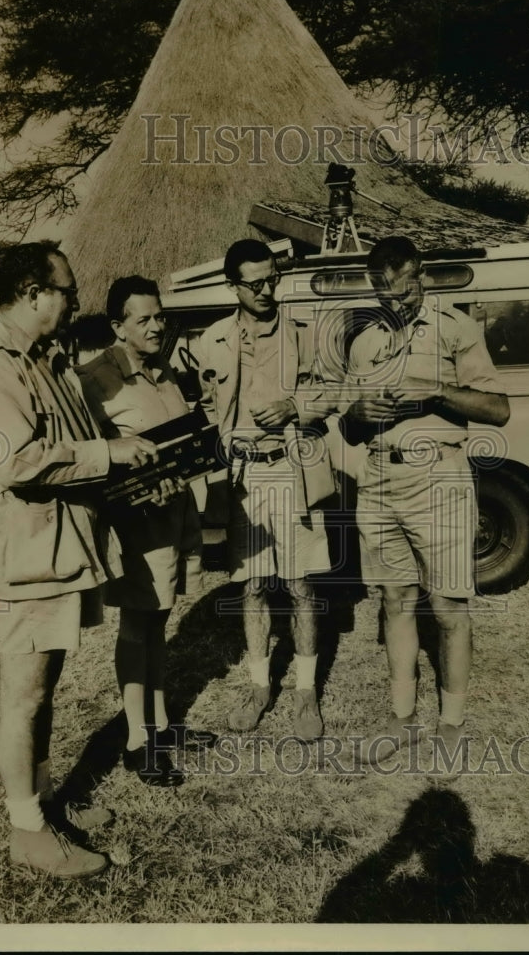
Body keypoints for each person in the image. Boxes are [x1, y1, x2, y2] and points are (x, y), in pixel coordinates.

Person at [0, 241, 159, 877]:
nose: (74, 300)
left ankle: (43, 804)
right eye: (66, 289)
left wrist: (122, 458)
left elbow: (73, 443)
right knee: (24, 693)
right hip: (28, 548)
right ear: (33, 293)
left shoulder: (47, 360)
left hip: (60, 545)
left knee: (46, 688)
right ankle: (27, 831)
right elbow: (12, 461)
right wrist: (110, 455)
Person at [341, 235, 510, 774]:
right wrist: (361, 411)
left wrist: (436, 394)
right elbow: (347, 427)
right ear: (375, 289)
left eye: (410, 286)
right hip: (378, 476)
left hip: (438, 476)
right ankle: (402, 718)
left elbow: (498, 410)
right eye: (390, 293)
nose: (403, 299)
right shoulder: (363, 342)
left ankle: (453, 725)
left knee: (448, 607)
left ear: (422, 276)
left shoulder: (455, 327)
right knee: (394, 600)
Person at [196, 239, 338, 741]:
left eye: (271, 279)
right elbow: (204, 407)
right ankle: (259, 688)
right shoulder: (211, 339)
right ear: (231, 285)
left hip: (293, 471)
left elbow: (333, 388)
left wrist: (294, 406)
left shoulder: (304, 331)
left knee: (300, 585)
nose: (265, 290)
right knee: (252, 586)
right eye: (253, 282)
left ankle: (305, 693)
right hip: (243, 479)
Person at [77, 277, 203, 788]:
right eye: (143, 319)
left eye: (159, 316)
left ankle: (161, 724)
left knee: (159, 620)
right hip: (134, 521)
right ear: (117, 326)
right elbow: (89, 453)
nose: (156, 326)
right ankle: (136, 740)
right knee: (137, 623)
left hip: (173, 511)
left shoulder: (164, 370)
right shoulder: (95, 378)